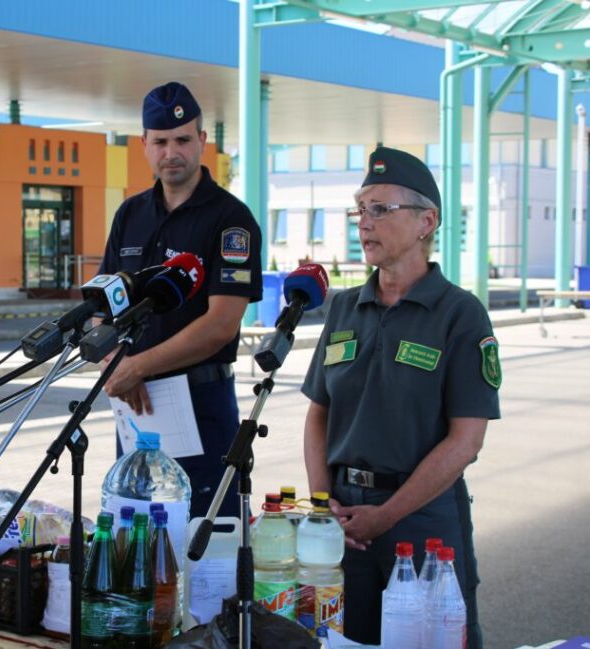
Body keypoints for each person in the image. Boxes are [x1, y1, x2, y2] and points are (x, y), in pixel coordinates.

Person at [301, 147, 500, 647]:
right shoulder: (344, 307)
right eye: (359, 209)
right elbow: (317, 416)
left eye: (380, 209)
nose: (363, 223)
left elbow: (465, 441)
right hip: (344, 517)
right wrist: (323, 503)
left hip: (423, 517)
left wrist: (386, 515)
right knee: (344, 639)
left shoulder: (460, 313)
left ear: (425, 222)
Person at [98, 82, 263, 518]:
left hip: (200, 405)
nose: (172, 152)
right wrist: (113, 362)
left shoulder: (231, 220)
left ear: (203, 142)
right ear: (145, 146)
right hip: (135, 405)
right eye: (161, 142)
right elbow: (103, 306)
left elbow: (220, 325)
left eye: (183, 140)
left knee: (204, 541)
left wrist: (137, 366)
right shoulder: (130, 215)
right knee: (133, 536)